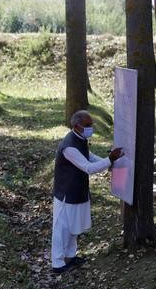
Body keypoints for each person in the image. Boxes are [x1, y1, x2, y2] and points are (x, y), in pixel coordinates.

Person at [52, 110, 122, 273]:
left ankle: (70, 256)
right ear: (77, 126)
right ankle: (57, 263)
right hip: (66, 194)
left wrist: (109, 163)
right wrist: (109, 160)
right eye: (88, 125)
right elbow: (88, 168)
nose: (91, 127)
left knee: (73, 227)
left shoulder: (80, 139)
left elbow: (89, 156)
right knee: (62, 229)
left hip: (78, 191)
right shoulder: (69, 147)